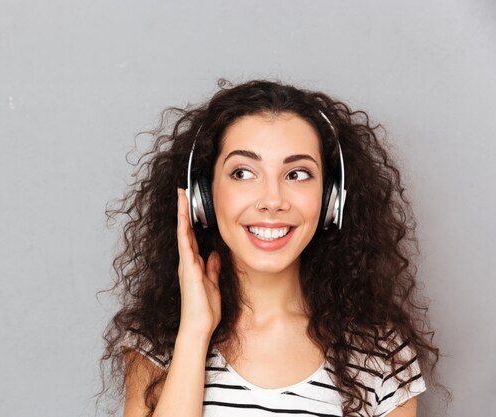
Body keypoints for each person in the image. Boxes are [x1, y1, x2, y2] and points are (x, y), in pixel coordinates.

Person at [100, 80, 441, 417]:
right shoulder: (160, 340)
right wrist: (194, 332)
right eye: (243, 173)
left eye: (297, 174)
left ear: (330, 201)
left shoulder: (381, 355)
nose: (272, 201)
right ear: (203, 196)